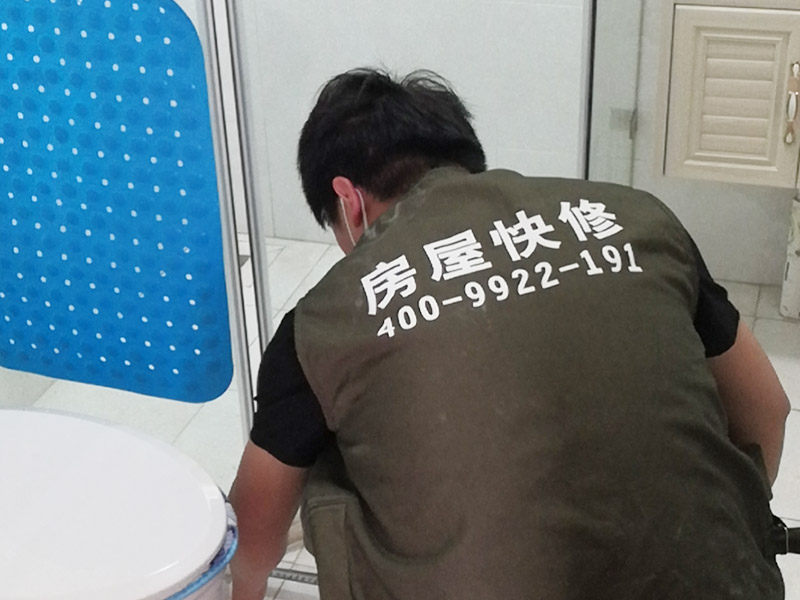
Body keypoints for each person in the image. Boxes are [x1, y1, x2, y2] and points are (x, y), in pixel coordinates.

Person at [229, 68, 791, 600]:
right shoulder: (639, 218)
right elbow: (768, 407)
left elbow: (250, 537)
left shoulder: (325, 318)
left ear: (349, 202)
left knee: (330, 452)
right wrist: (738, 527)